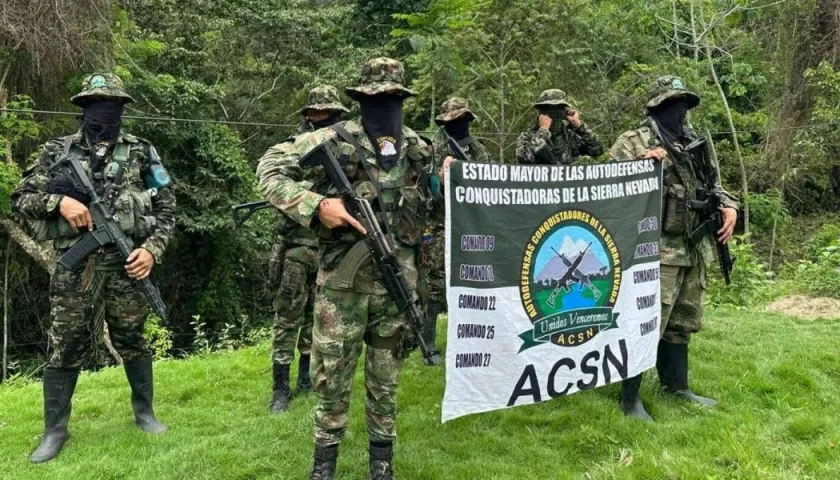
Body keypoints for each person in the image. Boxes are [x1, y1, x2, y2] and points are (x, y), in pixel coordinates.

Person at [257, 57, 438, 480]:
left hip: (399, 291)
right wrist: (317, 204)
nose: (384, 106)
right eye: (375, 99)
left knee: (385, 383)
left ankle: (382, 464)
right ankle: (324, 466)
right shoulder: (332, 140)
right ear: (360, 99)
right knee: (331, 380)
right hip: (342, 292)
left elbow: (434, 209)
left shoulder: (419, 149)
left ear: (402, 99)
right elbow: (268, 168)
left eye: (392, 99)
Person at [11, 73, 176, 462]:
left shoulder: (142, 152)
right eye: (96, 104)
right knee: (65, 344)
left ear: (122, 109)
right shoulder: (56, 151)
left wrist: (151, 250)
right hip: (75, 266)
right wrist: (59, 203)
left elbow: (167, 209)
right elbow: (21, 199)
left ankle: (145, 413)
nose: (105, 112)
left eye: (112, 105)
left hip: (126, 266)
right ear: (83, 108)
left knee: (132, 338)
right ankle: (55, 430)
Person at [609, 75, 738, 421]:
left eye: (683, 104)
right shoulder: (633, 141)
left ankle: (676, 387)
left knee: (682, 320)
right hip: (654, 249)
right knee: (646, 321)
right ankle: (629, 397)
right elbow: (608, 188)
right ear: (655, 106)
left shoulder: (695, 140)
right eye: (671, 104)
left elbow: (715, 184)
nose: (679, 111)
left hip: (694, 244)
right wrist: (642, 166)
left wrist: (729, 206)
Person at [265, 85, 350, 414]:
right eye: (320, 116)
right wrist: (313, 198)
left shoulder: (344, 148)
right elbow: (275, 185)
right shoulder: (291, 148)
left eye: (332, 116)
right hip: (296, 248)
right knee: (288, 317)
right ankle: (280, 388)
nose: (325, 122)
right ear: (309, 115)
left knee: (319, 317)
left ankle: (304, 377)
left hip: (329, 250)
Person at [421, 97, 493, 348]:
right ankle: (428, 341)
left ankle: (471, 339)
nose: (460, 124)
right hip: (440, 222)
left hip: (471, 224)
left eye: (463, 119)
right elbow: (424, 191)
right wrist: (440, 176)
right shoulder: (431, 148)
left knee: (474, 280)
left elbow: (490, 181)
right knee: (436, 282)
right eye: (455, 120)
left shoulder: (478, 149)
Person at [515, 89, 603, 164]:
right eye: (549, 109)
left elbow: (597, 150)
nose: (554, 113)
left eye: (559, 108)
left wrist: (579, 125)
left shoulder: (569, 136)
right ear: (541, 113)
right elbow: (524, 159)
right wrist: (543, 131)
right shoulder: (528, 136)